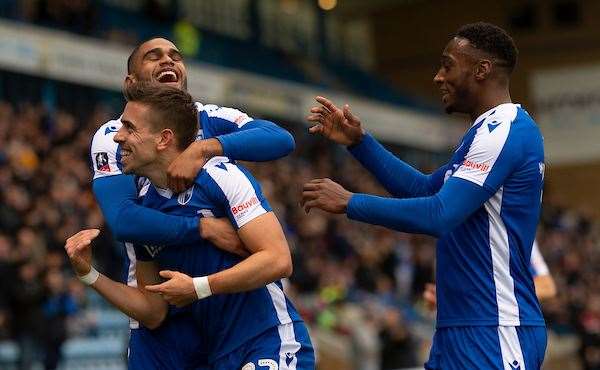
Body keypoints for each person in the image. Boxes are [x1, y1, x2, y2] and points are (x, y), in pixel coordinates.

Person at [302, 22, 546, 369]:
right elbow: (424, 189)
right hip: (461, 328)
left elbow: (439, 213)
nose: (437, 76)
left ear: (482, 70)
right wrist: (361, 144)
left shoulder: (504, 132)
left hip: (495, 329)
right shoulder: (484, 133)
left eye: (447, 65)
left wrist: (350, 202)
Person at [67, 82, 314, 369]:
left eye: (129, 128)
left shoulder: (221, 177)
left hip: (269, 340)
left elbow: (278, 260)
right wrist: (89, 275)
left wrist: (199, 287)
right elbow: (153, 310)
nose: (118, 137)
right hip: (218, 356)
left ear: (164, 139)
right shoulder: (145, 214)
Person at [424, 239, 557, 310]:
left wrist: (483, 294)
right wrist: (445, 298)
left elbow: (547, 287)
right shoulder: (451, 237)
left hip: (506, 334)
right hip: (462, 333)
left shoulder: (516, 236)